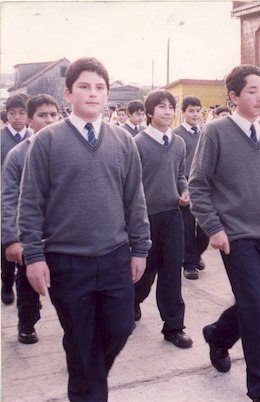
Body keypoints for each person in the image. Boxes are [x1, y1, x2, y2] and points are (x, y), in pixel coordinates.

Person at [18, 57, 151, 401]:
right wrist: (33, 256)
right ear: (68, 93)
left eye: (100, 88)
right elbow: (30, 203)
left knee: (119, 329)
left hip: (114, 258)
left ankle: (87, 381)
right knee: (80, 341)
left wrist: (140, 248)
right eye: (84, 87)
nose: (93, 94)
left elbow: (135, 199)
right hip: (67, 261)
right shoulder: (46, 143)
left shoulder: (123, 141)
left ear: (108, 95)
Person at [189, 64, 260, 402]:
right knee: (256, 311)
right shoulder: (215, 132)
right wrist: (214, 228)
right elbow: (198, 185)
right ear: (233, 96)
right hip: (234, 236)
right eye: (251, 91)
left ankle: (218, 335)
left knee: (256, 301)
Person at [133, 89, 192, 348]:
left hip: (172, 215)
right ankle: (131, 302)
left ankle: (173, 326)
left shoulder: (178, 143)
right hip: (145, 218)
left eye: (171, 107)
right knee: (144, 271)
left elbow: (180, 174)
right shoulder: (137, 144)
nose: (168, 111)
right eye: (161, 107)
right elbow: (131, 185)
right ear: (149, 112)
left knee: (171, 272)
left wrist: (184, 189)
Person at [2, 94, 60, 344]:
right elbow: (8, 199)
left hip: (63, 233)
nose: (48, 120)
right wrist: (11, 239)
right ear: (29, 119)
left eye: (53, 115)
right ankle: (27, 322)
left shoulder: (68, 149)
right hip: (30, 234)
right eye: (42, 115)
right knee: (28, 282)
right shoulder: (18, 155)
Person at [1, 93, 33, 305]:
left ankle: (26, 290)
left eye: (22, 113)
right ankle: (6, 281)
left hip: (30, 198)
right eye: (13, 113)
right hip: (6, 197)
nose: (17, 117)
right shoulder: (1, 138)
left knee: (27, 243)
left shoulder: (35, 137)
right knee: (7, 242)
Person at [173, 96, 209, 280]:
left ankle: (195, 254)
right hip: (185, 184)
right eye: (191, 111)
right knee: (187, 227)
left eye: (197, 111)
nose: (195, 115)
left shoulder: (205, 132)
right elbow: (174, 165)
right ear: (183, 112)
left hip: (204, 186)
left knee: (205, 229)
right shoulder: (176, 134)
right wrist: (179, 188)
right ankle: (189, 264)